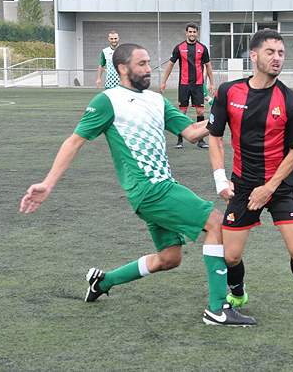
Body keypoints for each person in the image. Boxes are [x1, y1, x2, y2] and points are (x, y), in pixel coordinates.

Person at [20, 43, 256, 327]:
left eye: (148, 63)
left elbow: (192, 133)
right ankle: (218, 309)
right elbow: (74, 141)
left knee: (169, 258)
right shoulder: (108, 100)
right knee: (216, 223)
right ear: (122, 68)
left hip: (160, 187)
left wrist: (224, 113)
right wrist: (48, 183)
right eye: (142, 64)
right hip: (150, 190)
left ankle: (103, 281)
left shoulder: (157, 101)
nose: (148, 69)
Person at [207, 30, 293, 319]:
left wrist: (269, 188)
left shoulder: (292, 101)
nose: (277, 58)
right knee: (231, 256)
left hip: (281, 184)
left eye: (281, 53)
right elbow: (214, 137)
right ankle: (237, 293)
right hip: (243, 184)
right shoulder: (228, 92)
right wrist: (220, 178)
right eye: (270, 52)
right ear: (254, 55)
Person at [159, 22, 215, 149]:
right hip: (184, 85)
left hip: (198, 85)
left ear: (197, 33)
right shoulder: (179, 48)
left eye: (194, 31)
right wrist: (164, 82)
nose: (192, 34)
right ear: (186, 33)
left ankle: (200, 140)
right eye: (190, 31)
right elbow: (171, 64)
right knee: (182, 112)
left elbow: (208, 66)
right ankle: (180, 140)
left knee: (200, 111)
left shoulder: (202, 48)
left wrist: (212, 83)